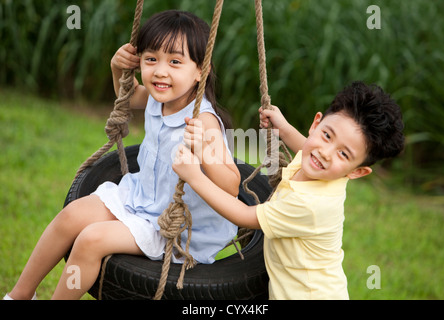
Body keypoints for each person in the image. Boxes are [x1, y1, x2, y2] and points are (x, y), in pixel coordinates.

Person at [4, 10, 240, 300]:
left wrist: (203, 153)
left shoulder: (203, 122)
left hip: (176, 228)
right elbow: (127, 100)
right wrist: (118, 70)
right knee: (71, 216)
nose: (161, 71)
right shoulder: (158, 97)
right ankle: (19, 295)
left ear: (199, 72)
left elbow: (232, 185)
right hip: (142, 198)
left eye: (175, 62)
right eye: (151, 59)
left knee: (91, 240)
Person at [174, 81, 405, 299]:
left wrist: (196, 177)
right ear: (316, 124)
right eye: (326, 135)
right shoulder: (319, 164)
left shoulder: (309, 204)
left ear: (356, 172)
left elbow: (243, 215)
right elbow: (308, 147)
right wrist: (284, 129)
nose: (325, 152)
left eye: (343, 154)